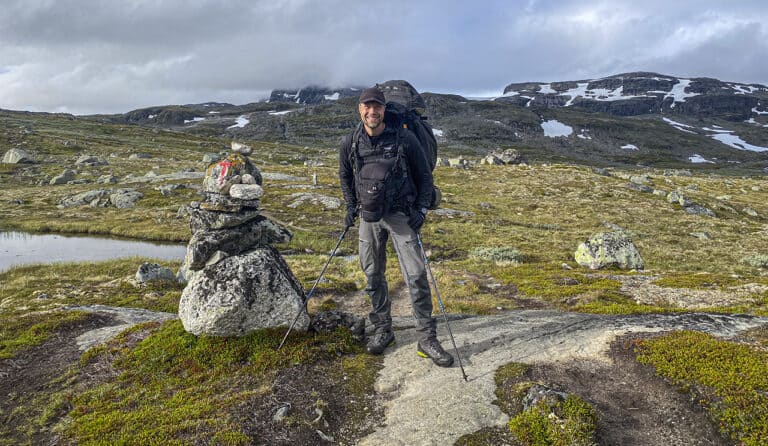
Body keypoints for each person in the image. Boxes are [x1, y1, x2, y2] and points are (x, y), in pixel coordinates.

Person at [339, 86, 453, 367]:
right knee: (373, 274)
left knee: (415, 275)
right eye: (367, 106)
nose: (372, 111)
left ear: (384, 109)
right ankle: (383, 329)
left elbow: (424, 177)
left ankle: (426, 338)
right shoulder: (351, 141)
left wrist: (422, 210)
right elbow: (344, 174)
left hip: (401, 215)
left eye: (377, 107)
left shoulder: (405, 139)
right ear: (360, 109)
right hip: (369, 217)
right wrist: (350, 206)